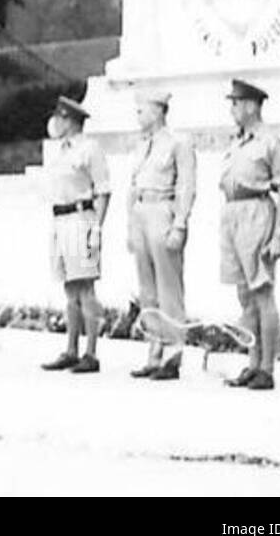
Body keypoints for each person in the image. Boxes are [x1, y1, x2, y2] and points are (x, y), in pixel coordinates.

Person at [218, 80, 280, 391]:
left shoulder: (271, 142)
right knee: (244, 294)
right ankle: (252, 363)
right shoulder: (238, 141)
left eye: (236, 103)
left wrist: (278, 234)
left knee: (262, 291)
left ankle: (267, 368)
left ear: (251, 105)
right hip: (232, 214)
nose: (232, 109)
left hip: (257, 214)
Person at [127, 89, 197, 380]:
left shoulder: (178, 143)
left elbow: (186, 186)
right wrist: (130, 225)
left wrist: (180, 223)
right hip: (142, 210)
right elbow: (132, 185)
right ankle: (154, 348)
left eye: (142, 110)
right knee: (147, 288)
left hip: (163, 209)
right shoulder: (141, 145)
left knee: (169, 286)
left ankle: (173, 351)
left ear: (157, 111)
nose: (138, 115)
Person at [42, 96, 112, 374]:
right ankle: (71, 348)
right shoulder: (62, 150)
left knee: (86, 289)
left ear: (70, 121)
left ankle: (91, 352)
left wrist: (97, 228)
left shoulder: (89, 149)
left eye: (60, 119)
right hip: (61, 219)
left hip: (82, 218)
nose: (56, 124)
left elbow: (104, 190)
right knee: (69, 288)